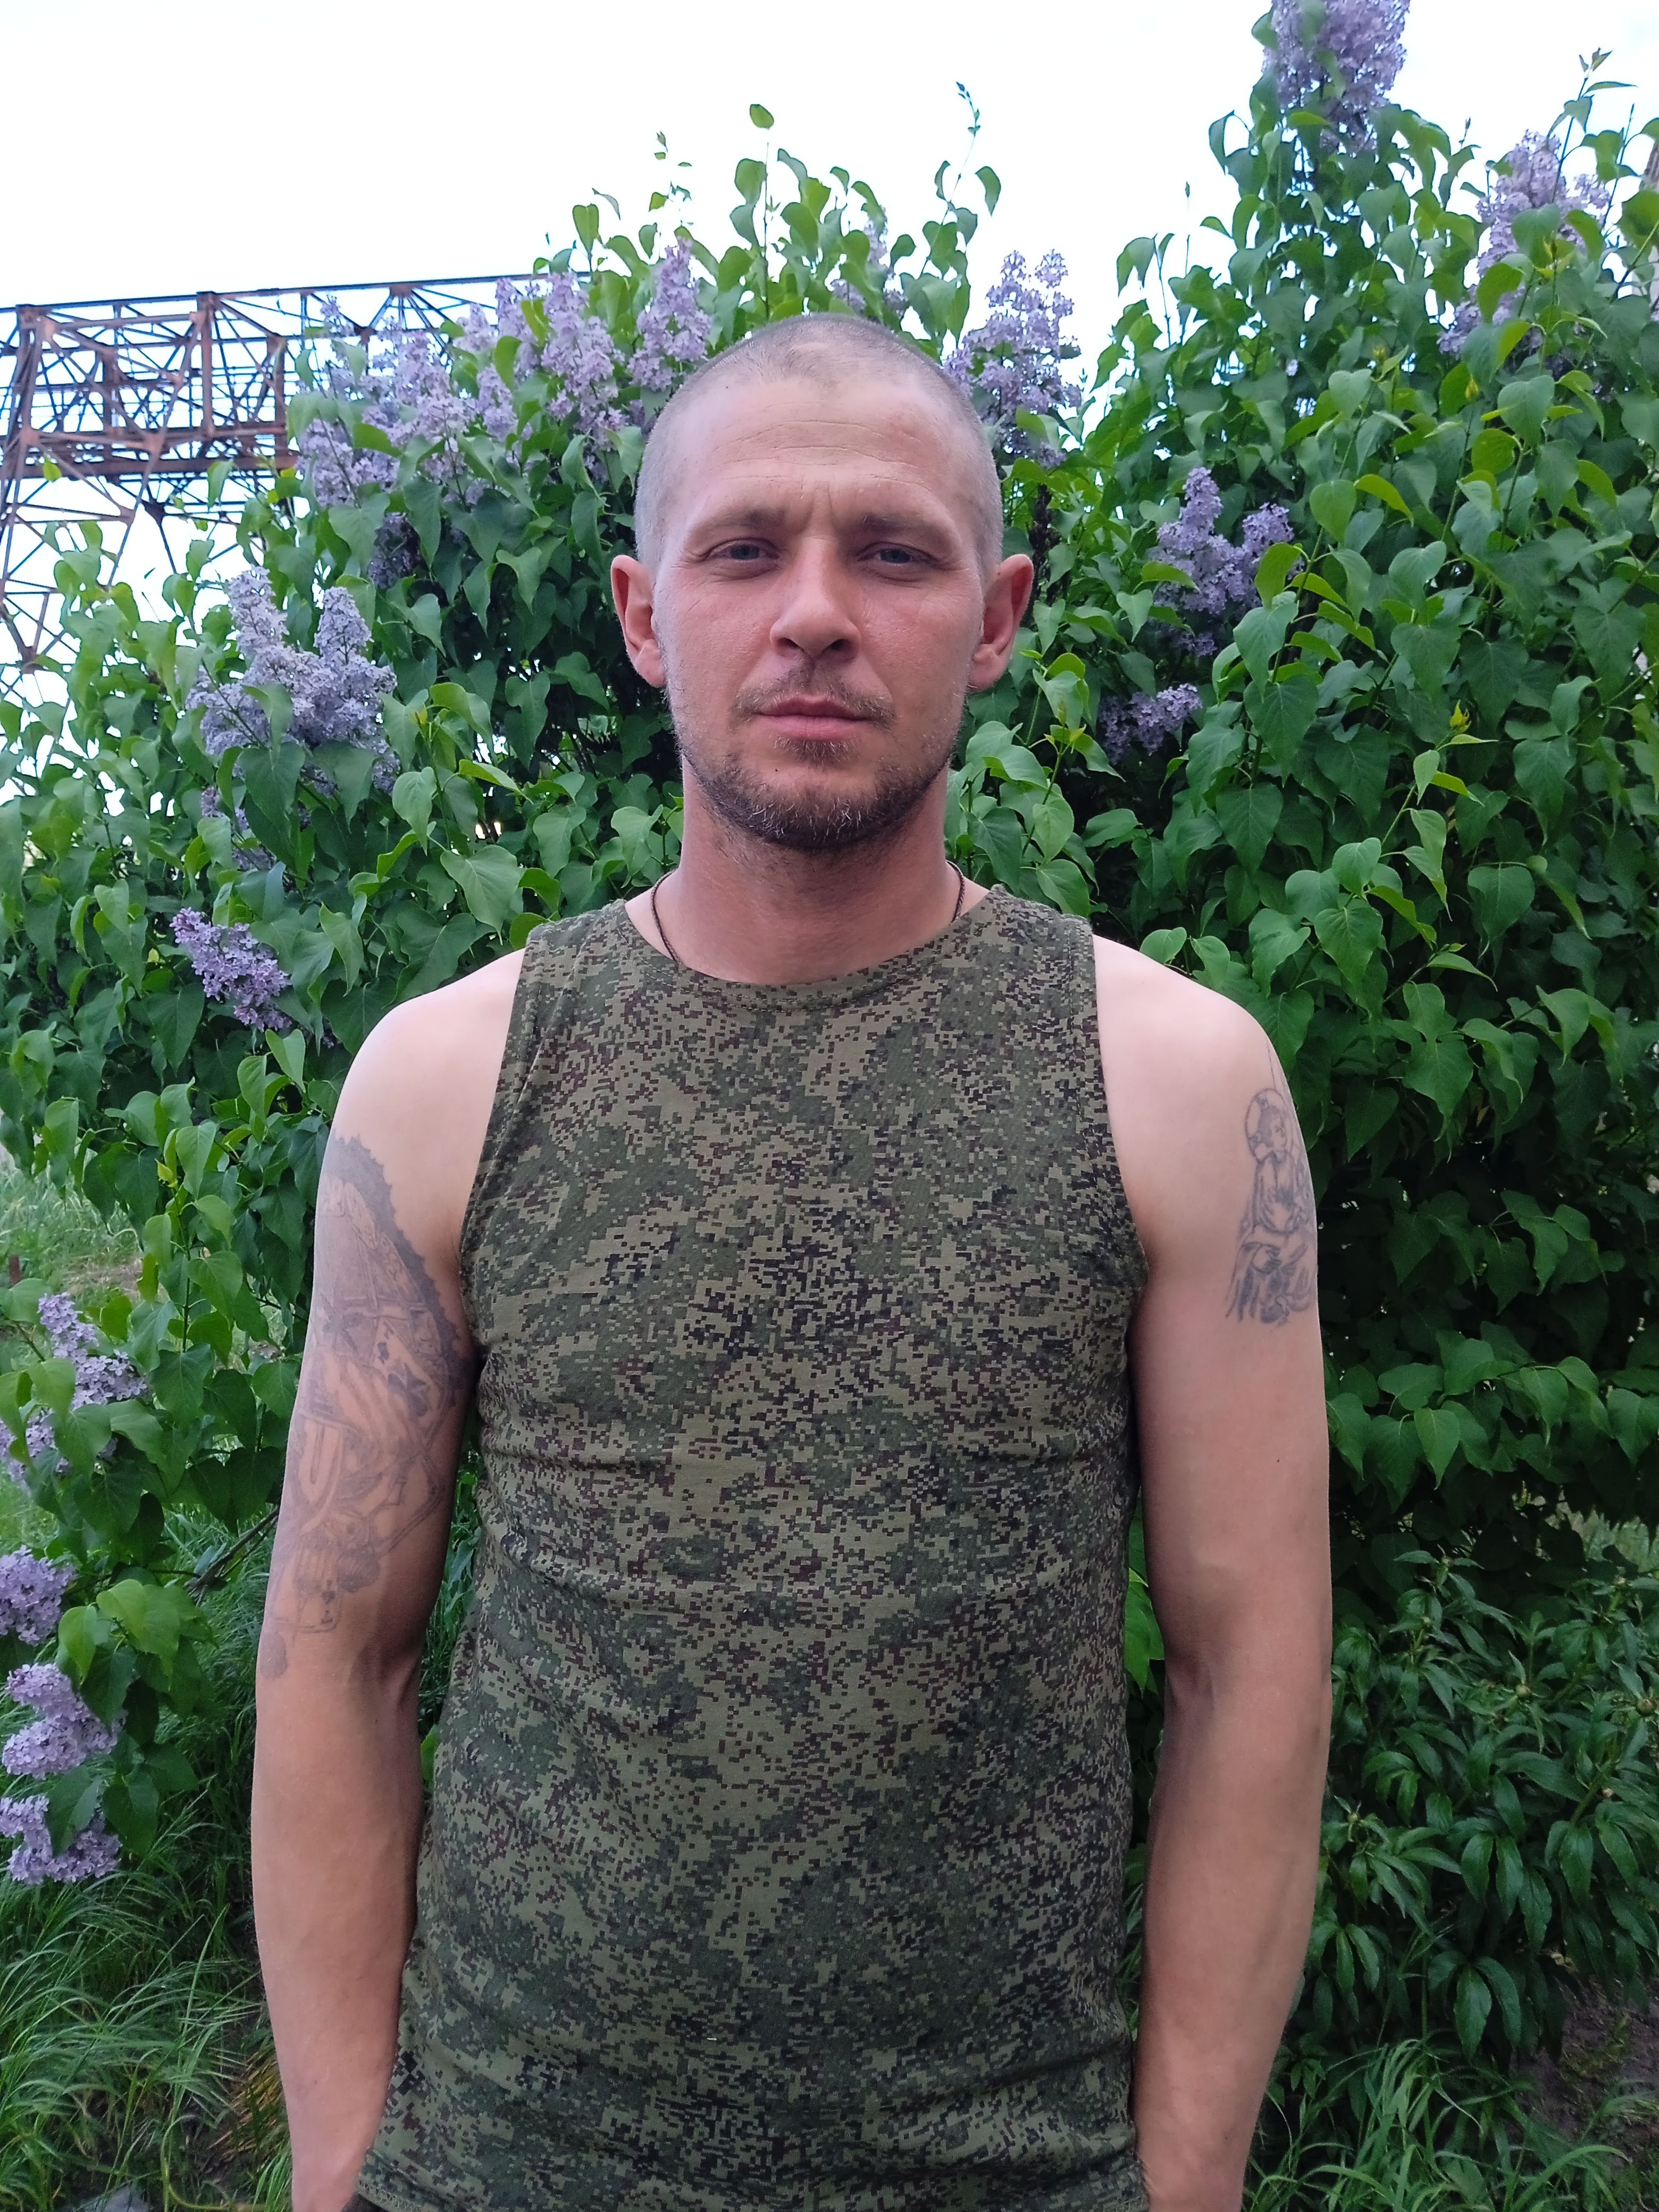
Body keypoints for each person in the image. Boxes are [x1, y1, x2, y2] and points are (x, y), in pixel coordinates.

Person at [251, 314, 1331, 2212]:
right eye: (745, 549)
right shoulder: (447, 1081)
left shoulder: (1172, 1081)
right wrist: (342, 2169)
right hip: (504, 2168)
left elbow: (1254, 1676)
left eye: (892, 553)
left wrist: (1182, 2186)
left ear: (994, 618)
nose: (815, 613)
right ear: (643, 613)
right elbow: (337, 1655)